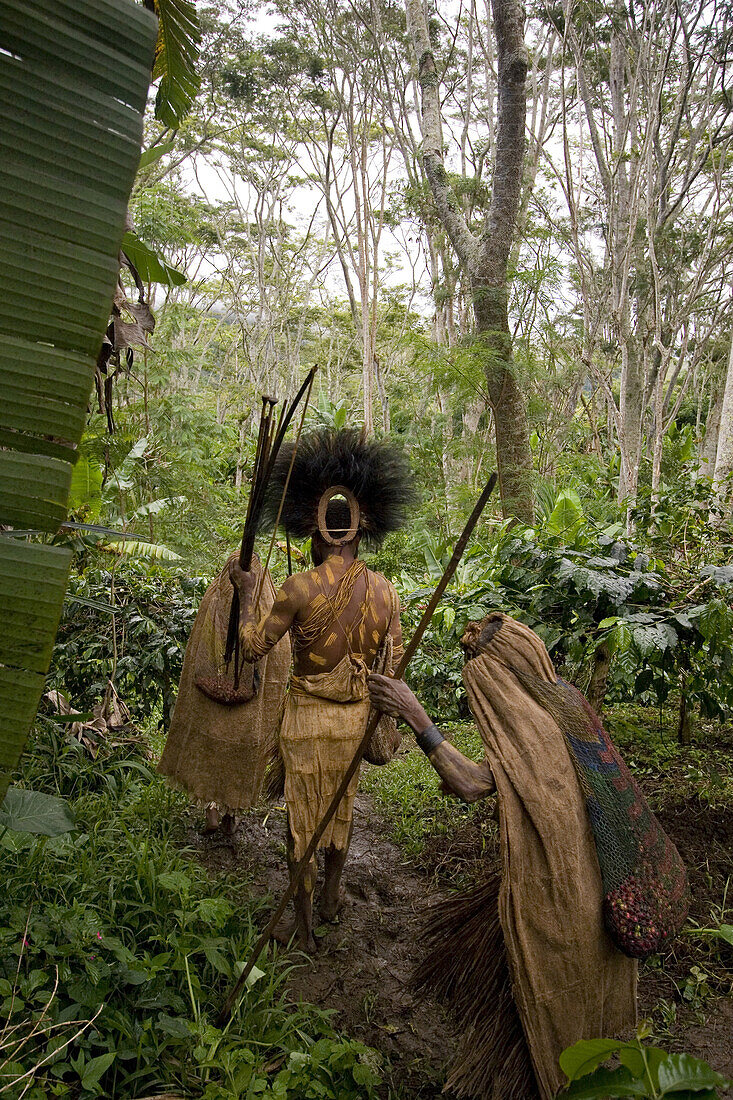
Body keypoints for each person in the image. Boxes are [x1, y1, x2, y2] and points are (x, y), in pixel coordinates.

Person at [367, 611, 639, 1100]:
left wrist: (415, 714)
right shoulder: (566, 700)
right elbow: (500, 780)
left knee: (545, 994)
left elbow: (470, 782)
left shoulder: (534, 729)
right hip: (597, 880)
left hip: (563, 895)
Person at [230, 428, 414, 951]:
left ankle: (306, 924)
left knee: (302, 820)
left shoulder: (297, 589)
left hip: (307, 722)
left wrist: (247, 595)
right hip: (355, 723)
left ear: (316, 529)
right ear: (360, 529)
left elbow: (251, 648)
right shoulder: (386, 591)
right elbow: (393, 663)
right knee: (341, 809)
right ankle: (332, 897)